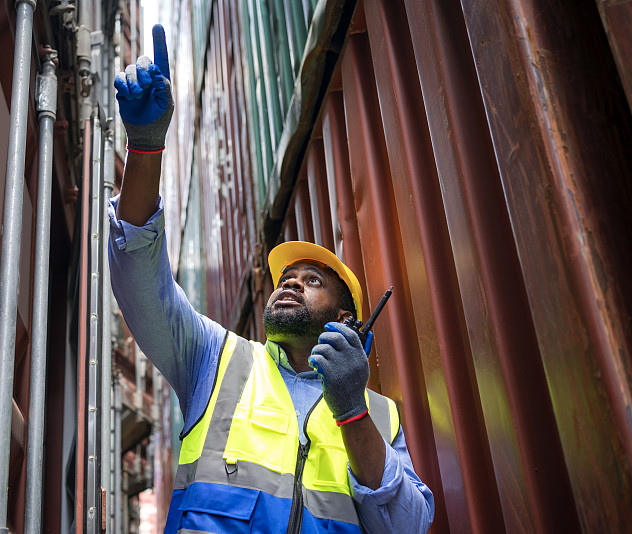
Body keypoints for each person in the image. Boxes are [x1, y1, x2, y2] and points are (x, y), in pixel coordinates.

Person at [110, 24, 434, 534]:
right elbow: (139, 281)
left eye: (311, 281)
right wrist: (146, 148)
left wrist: (350, 410)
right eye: (287, 277)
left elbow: (408, 527)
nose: (290, 283)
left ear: (346, 319)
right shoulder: (214, 362)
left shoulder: (379, 414)